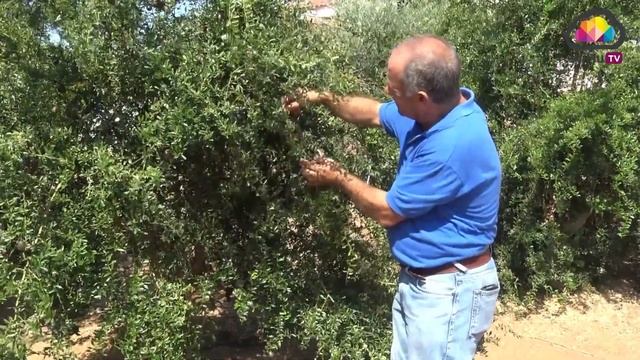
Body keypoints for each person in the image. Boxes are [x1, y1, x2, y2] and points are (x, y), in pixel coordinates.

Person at [283, 34, 502, 360]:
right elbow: (371, 112)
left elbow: (387, 211)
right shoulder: (437, 112)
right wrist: (322, 97)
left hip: (449, 290)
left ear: (423, 97)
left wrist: (337, 176)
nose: (387, 92)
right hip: (426, 282)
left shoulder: (449, 146)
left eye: (394, 89)